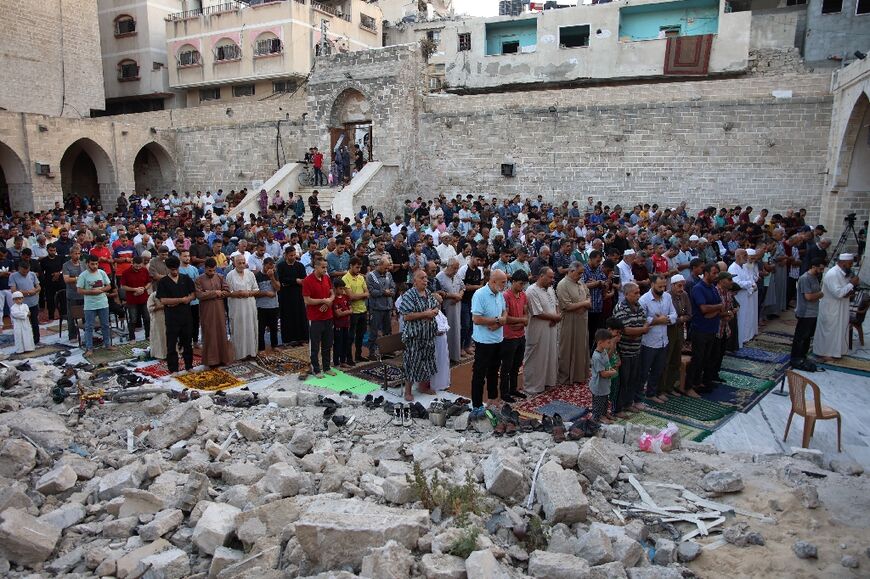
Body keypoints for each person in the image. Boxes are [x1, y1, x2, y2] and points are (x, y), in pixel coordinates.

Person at [469, 269, 508, 416]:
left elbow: (505, 312)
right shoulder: (480, 295)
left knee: (493, 371)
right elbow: (476, 319)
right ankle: (477, 405)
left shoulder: (500, 294)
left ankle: (492, 398)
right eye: (503, 282)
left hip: (498, 339)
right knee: (479, 374)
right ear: (493, 281)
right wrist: (497, 320)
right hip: (484, 342)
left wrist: (498, 323)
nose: (505, 284)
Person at [398, 269, 440, 401]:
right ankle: (408, 391)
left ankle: (423, 386)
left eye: (426, 278)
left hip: (428, 334)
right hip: (414, 336)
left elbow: (436, 307)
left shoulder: (428, 293)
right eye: (422, 278)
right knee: (412, 362)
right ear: (414, 281)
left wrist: (433, 312)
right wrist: (425, 314)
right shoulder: (409, 295)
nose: (425, 280)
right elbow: (407, 316)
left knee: (427, 361)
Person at [638, 274, 677, 403]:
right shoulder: (644, 300)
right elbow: (642, 319)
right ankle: (637, 398)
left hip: (663, 340)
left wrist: (664, 319)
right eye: (659, 286)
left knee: (658, 369)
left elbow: (674, 315)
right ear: (652, 284)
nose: (662, 289)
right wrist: (657, 320)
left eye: (664, 286)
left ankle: (651, 393)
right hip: (649, 342)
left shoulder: (667, 297)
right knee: (643, 372)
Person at [813, 254, 860, 361]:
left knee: (838, 331)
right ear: (843, 263)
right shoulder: (832, 274)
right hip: (831, 308)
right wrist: (851, 284)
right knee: (829, 331)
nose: (851, 266)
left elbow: (845, 291)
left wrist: (852, 287)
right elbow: (838, 293)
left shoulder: (843, 273)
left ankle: (836, 352)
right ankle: (824, 353)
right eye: (849, 264)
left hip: (841, 307)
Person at [612, 282, 649, 413]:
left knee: (633, 378)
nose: (639, 295)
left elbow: (645, 324)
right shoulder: (621, 308)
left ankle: (628, 403)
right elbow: (626, 330)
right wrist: (641, 330)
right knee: (623, 380)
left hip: (636, 349)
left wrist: (638, 330)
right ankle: (618, 407)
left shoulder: (638, 306)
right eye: (636, 293)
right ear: (626, 294)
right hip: (624, 350)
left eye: (639, 292)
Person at [523, 267, 561, 395]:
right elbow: (537, 312)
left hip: (551, 327)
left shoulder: (550, 288)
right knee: (536, 357)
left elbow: (556, 304)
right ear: (541, 276)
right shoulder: (531, 291)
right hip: (538, 329)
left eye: (552, 277)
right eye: (550, 277)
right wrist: (555, 317)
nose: (552, 280)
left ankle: (548, 382)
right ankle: (533, 386)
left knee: (550, 355)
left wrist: (556, 316)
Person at [156, 256, 196, 373]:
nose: (174, 272)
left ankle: (189, 365)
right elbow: (163, 300)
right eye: (172, 270)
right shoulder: (163, 282)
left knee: (187, 342)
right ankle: (173, 368)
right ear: (168, 269)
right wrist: (180, 300)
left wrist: (186, 299)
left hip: (186, 315)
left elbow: (193, 294)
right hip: (172, 317)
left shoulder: (185, 278)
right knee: (171, 343)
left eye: (176, 269)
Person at [660, 274, 697, 397]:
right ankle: (662, 388)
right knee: (666, 360)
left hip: (680, 331)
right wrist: (678, 318)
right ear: (673, 285)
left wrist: (679, 319)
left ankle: (670, 386)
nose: (681, 288)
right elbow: (667, 317)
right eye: (679, 286)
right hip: (668, 331)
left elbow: (689, 314)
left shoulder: (684, 295)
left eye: (683, 286)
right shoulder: (666, 297)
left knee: (676, 360)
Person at [688, 264, 723, 393]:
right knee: (697, 358)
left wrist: (714, 310)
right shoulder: (698, 288)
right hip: (700, 329)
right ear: (706, 273)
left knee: (706, 358)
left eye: (717, 273)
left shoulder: (713, 288)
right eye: (714, 273)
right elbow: (703, 309)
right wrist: (717, 308)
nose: (716, 276)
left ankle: (699, 382)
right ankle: (689, 386)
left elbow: (720, 306)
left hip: (712, 328)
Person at [556, 262, 592, 385]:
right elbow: (566, 306)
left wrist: (585, 303)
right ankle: (566, 377)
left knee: (581, 347)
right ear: (571, 271)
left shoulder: (581, 283)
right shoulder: (562, 285)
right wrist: (583, 304)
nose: (581, 275)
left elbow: (588, 296)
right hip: (569, 321)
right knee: (567, 348)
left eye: (582, 273)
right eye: (579, 273)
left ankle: (579, 375)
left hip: (582, 320)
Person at [194, 258, 235, 367]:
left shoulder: (220, 277)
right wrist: (215, 293)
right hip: (207, 311)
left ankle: (222, 358)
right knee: (209, 333)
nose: (212, 273)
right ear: (205, 269)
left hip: (219, 310)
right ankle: (211, 361)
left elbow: (227, 291)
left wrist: (211, 293)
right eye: (209, 271)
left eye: (214, 270)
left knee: (221, 332)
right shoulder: (199, 279)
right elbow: (199, 295)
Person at [302, 257, 335, 378]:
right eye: (323, 267)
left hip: (328, 316)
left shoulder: (326, 278)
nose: (325, 270)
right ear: (315, 267)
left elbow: (332, 293)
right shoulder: (307, 280)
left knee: (327, 343)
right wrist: (323, 301)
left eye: (326, 267)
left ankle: (326, 367)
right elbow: (307, 300)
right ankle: (316, 369)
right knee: (315, 345)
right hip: (315, 318)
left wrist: (329, 301)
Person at [500, 269, 529, 403]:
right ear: (513, 282)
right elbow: (505, 318)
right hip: (509, 336)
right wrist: (521, 321)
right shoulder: (505, 296)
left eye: (523, 284)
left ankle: (513, 388)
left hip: (520, 334)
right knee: (506, 365)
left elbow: (525, 312)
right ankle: (504, 392)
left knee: (517, 364)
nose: (522, 287)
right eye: (520, 283)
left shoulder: (523, 295)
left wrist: (523, 320)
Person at [790, 258, 825, 366]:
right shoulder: (805, 278)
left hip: (813, 312)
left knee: (807, 337)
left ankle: (803, 356)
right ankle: (796, 358)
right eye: (820, 268)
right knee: (801, 337)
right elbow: (808, 297)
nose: (822, 271)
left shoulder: (815, 277)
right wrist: (821, 294)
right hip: (805, 312)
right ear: (813, 267)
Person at [76, 254, 113, 357]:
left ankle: (107, 344)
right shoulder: (83, 275)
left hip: (103, 303)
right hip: (90, 305)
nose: (95, 266)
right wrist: (91, 292)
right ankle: (89, 348)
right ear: (88, 264)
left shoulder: (102, 272)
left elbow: (109, 286)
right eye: (92, 264)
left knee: (105, 325)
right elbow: (79, 290)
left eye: (96, 264)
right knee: (89, 327)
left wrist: (100, 290)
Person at [226, 255, 259, 360]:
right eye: (239, 263)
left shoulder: (250, 274)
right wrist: (237, 293)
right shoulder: (230, 275)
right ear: (234, 263)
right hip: (237, 307)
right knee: (239, 329)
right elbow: (227, 292)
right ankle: (240, 355)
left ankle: (252, 353)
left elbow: (256, 289)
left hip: (249, 305)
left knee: (250, 328)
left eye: (243, 262)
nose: (241, 265)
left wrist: (248, 293)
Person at [277, 246, 309, 346]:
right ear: (286, 255)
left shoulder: (300, 266)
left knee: (300, 315)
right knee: (287, 316)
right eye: (291, 255)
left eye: (294, 255)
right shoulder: (281, 266)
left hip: (298, 294)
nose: (293, 257)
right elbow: (282, 279)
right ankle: (288, 339)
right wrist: (295, 280)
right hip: (285, 295)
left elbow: (303, 279)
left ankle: (302, 338)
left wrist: (295, 281)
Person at [727, 249, 758, 348]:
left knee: (747, 316)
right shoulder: (732, 268)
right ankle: (739, 341)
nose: (746, 258)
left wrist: (752, 285)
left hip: (747, 295)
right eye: (744, 255)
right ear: (738, 256)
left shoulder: (744, 267)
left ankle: (745, 337)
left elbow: (750, 278)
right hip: (739, 296)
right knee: (740, 318)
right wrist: (750, 284)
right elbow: (736, 283)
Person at [365, 257, 395, 358]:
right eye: (385, 268)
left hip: (387, 307)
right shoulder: (370, 276)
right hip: (376, 308)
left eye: (388, 268)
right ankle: (372, 352)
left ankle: (387, 350)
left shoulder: (388, 274)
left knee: (388, 331)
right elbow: (371, 291)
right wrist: (383, 292)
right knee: (374, 331)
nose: (387, 270)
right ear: (380, 265)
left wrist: (390, 292)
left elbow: (393, 287)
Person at [436, 258, 464, 363]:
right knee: (447, 332)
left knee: (456, 330)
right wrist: (452, 296)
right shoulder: (439, 277)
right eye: (454, 268)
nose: (456, 270)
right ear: (448, 266)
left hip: (457, 307)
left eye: (457, 268)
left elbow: (463, 287)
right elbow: (438, 293)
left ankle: (455, 355)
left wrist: (459, 296)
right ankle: (446, 357)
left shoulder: (457, 275)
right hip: (446, 308)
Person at [342, 257, 369, 362]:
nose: (358, 270)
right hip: (352, 312)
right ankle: (349, 358)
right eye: (357, 267)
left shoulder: (361, 278)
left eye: (360, 267)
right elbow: (350, 297)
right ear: (351, 266)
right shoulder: (345, 278)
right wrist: (362, 295)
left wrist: (358, 295)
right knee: (351, 336)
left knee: (360, 335)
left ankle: (358, 355)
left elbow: (368, 293)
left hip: (362, 310)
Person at [590, 328, 618, 424]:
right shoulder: (596, 356)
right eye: (608, 342)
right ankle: (599, 417)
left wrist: (611, 368)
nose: (610, 344)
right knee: (599, 402)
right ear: (601, 342)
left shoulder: (604, 351)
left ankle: (604, 413)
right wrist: (612, 372)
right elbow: (602, 373)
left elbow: (607, 364)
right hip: (598, 385)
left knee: (605, 400)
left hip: (605, 384)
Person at [10, 260, 41, 346]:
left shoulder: (32, 274)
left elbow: (38, 286)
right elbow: (13, 290)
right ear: (19, 269)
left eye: (27, 271)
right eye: (24, 272)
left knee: (35, 322)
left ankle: (36, 340)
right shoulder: (13, 276)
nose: (26, 273)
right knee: (23, 324)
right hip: (21, 304)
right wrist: (27, 292)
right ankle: (24, 342)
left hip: (33, 302)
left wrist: (35, 290)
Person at [458, 251, 484, 355]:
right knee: (465, 324)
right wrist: (474, 287)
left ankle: (467, 345)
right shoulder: (463, 269)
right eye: (477, 259)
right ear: (472, 258)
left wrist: (471, 286)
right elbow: (463, 287)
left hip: (475, 301)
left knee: (472, 325)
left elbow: (481, 285)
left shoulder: (479, 271)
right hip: (464, 301)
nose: (479, 262)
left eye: (480, 260)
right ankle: (459, 346)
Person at [120, 256, 151, 341]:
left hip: (143, 298)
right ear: (132, 263)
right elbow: (123, 286)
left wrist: (143, 289)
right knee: (133, 319)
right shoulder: (126, 272)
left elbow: (149, 282)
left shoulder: (144, 270)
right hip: (132, 299)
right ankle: (132, 337)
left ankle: (148, 335)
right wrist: (135, 289)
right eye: (136, 266)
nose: (138, 268)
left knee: (147, 318)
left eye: (140, 266)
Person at [255, 257, 281, 352]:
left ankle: (274, 345)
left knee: (274, 328)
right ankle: (261, 348)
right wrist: (266, 293)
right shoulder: (257, 276)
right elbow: (255, 293)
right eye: (268, 267)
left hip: (273, 306)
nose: (270, 269)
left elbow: (278, 288)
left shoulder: (274, 274)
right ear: (264, 265)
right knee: (261, 329)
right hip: (261, 306)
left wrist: (272, 277)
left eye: (272, 266)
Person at [178, 251, 200, 344]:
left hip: (195, 301)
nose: (187, 258)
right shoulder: (178, 270)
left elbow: (197, 283)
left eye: (188, 256)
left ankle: (195, 341)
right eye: (185, 256)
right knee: (184, 322)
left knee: (195, 322)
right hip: (183, 300)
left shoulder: (194, 269)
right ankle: (184, 342)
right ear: (180, 257)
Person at [331, 279, 353, 367]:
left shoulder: (345, 297)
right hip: (338, 325)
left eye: (343, 288)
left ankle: (343, 361)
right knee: (337, 344)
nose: (342, 290)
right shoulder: (334, 299)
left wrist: (344, 312)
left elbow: (351, 310)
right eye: (340, 288)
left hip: (346, 324)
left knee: (345, 343)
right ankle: (336, 362)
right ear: (335, 288)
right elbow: (337, 314)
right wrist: (346, 311)